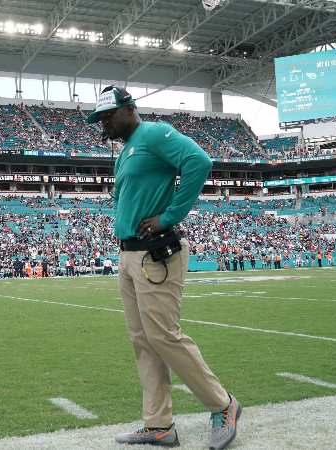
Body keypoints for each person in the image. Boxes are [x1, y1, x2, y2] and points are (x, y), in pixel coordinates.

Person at [90, 85, 239, 450]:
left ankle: (223, 405)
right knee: (144, 341)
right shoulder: (125, 151)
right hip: (130, 255)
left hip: (155, 254)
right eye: (99, 118)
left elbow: (199, 161)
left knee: (163, 336)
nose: (103, 123)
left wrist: (170, 215)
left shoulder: (153, 133)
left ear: (129, 109)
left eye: (108, 115)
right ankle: (158, 425)